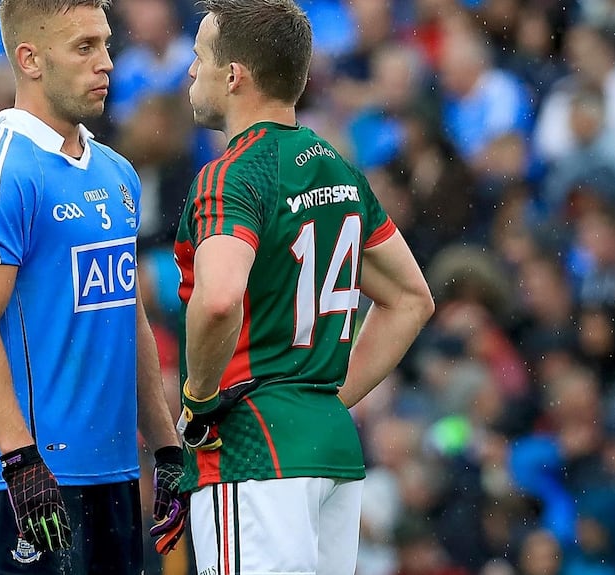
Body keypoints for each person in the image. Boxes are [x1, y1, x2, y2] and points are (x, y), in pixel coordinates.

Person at [174, 1, 435, 574]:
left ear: (234, 74)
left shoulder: (230, 174)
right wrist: (324, 400)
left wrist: (195, 403)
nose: (191, 72)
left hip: (251, 450)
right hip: (331, 450)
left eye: (198, 59)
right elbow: (412, 299)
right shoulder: (337, 169)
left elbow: (219, 300)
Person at [0, 1, 186, 573]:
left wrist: (166, 444)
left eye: (105, 44)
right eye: (84, 47)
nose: (105, 63)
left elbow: (125, 317)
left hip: (117, 477)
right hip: (34, 486)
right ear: (29, 59)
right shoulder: (4, 172)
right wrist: (20, 461)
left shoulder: (116, 171)